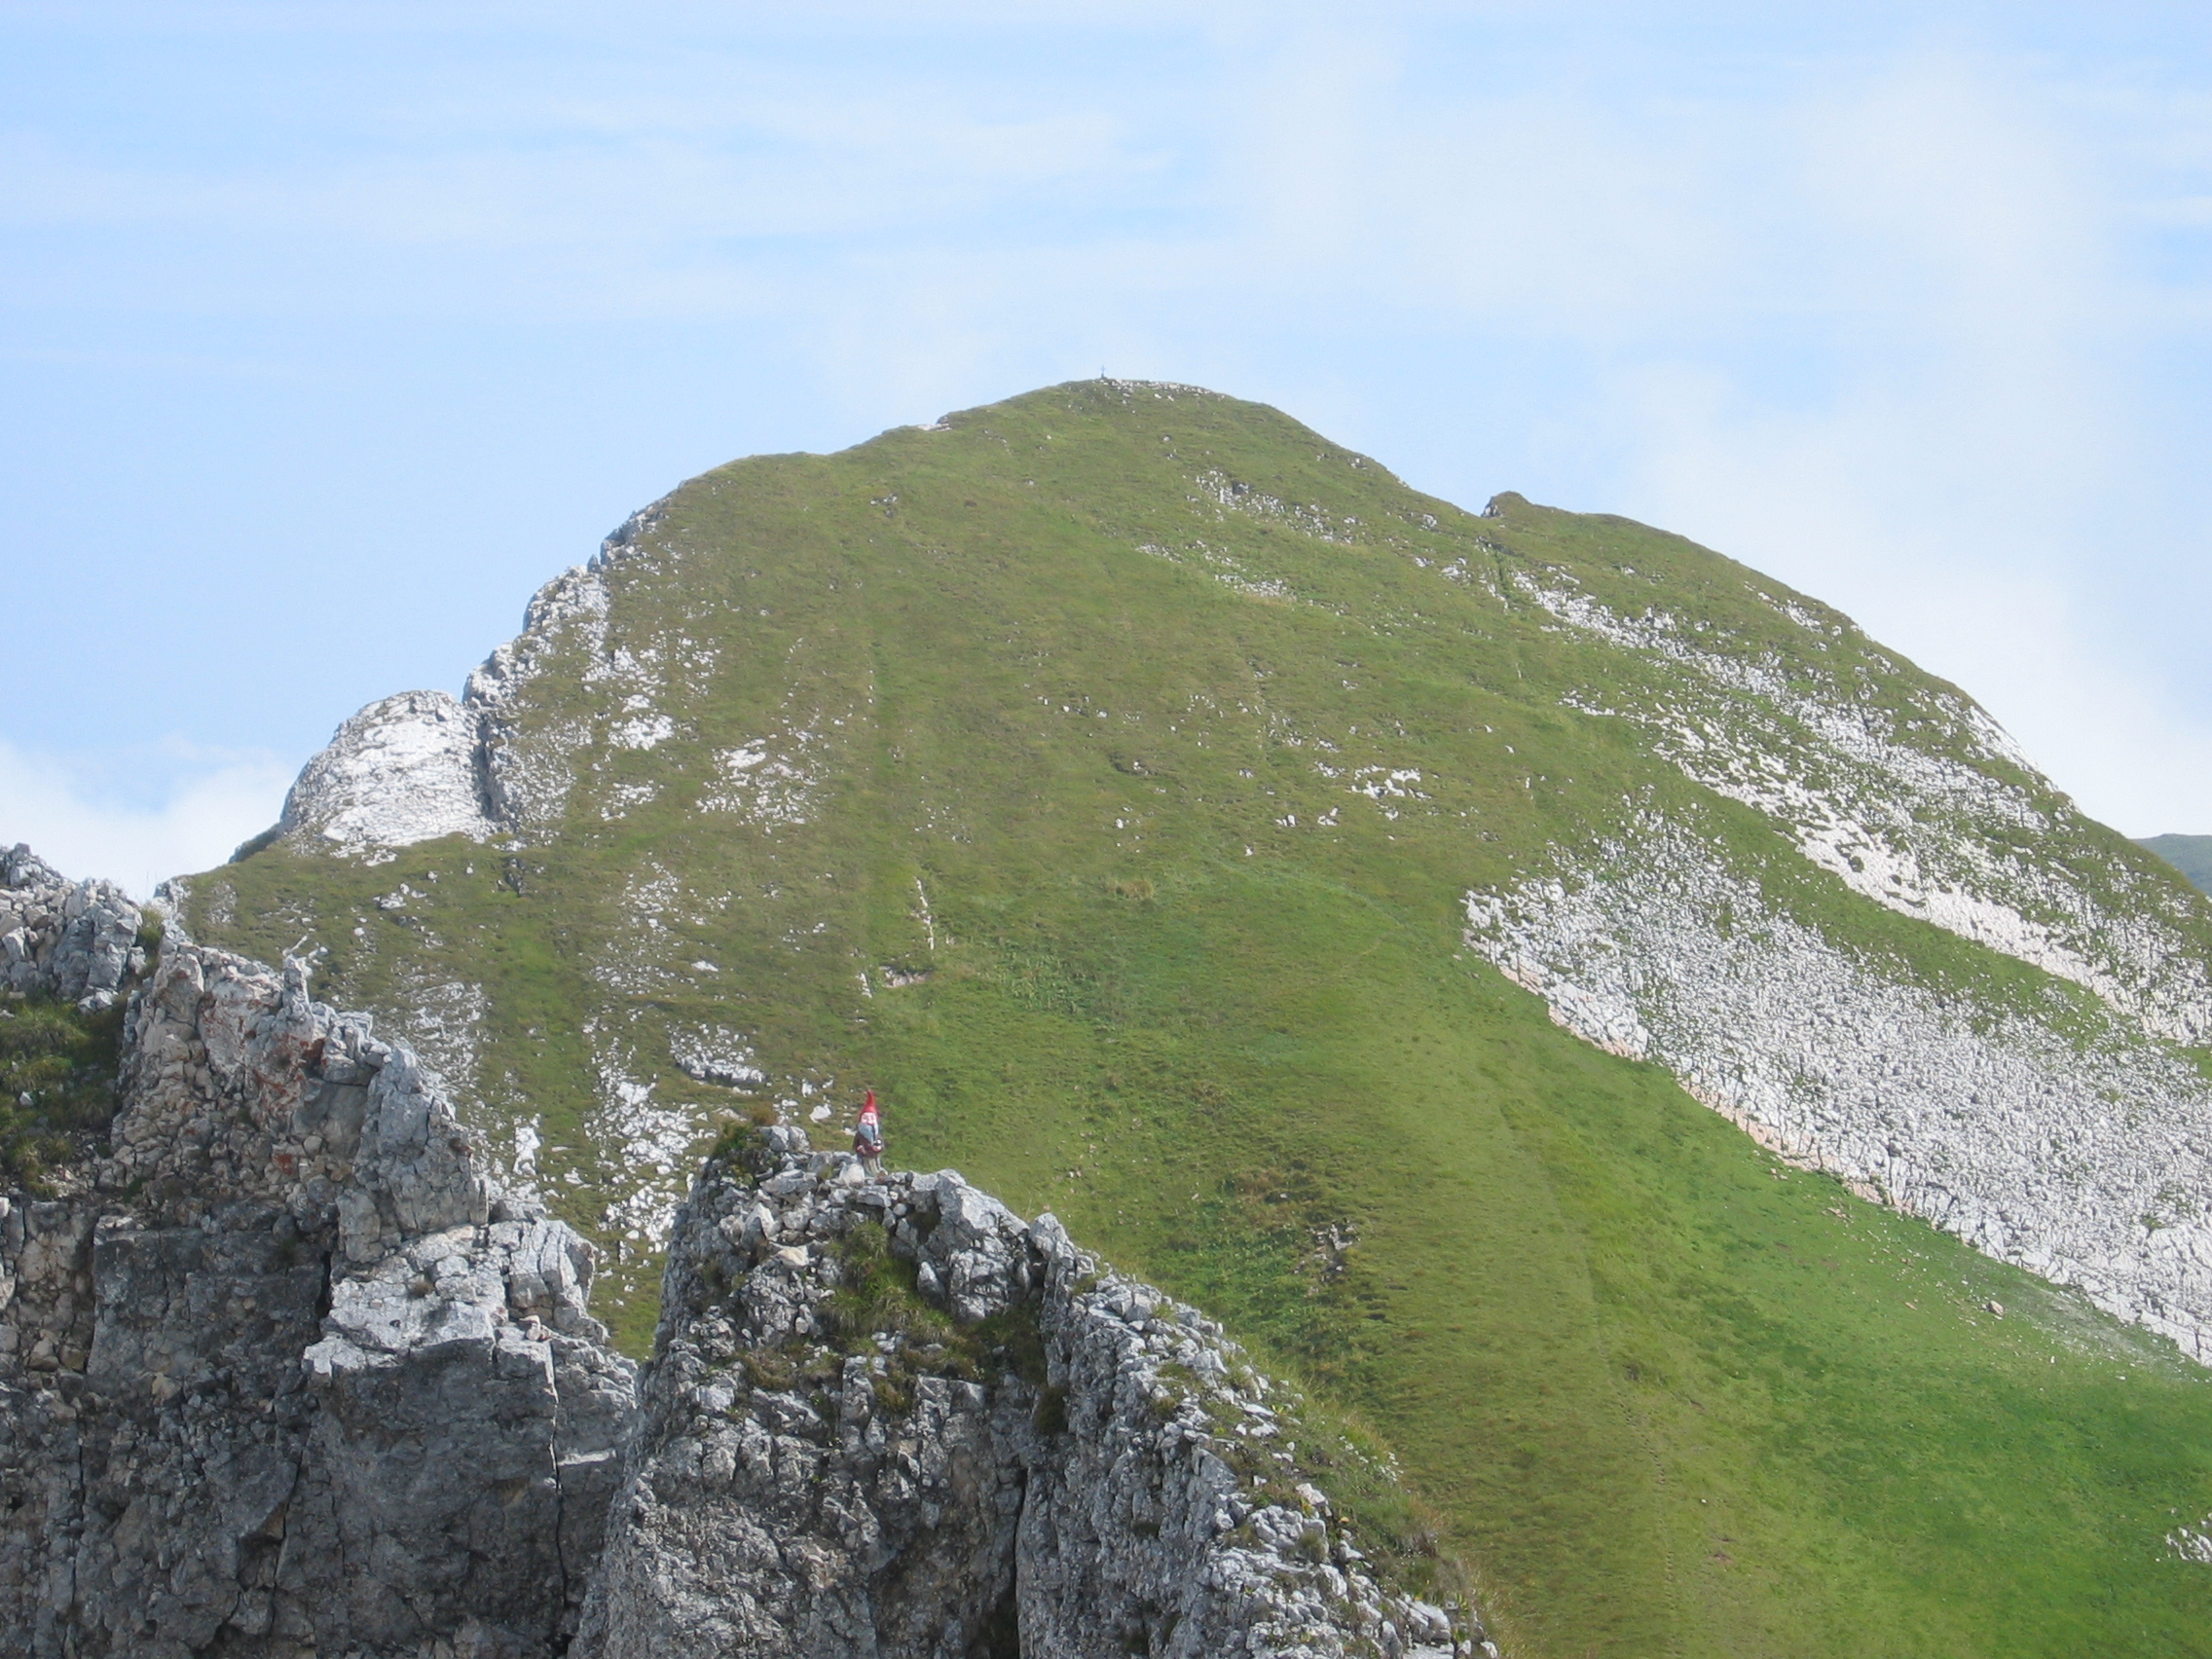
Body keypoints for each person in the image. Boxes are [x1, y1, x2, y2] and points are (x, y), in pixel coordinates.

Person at [854, 1089, 884, 1178]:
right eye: (865, 1118)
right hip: (863, 1157)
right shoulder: (860, 1134)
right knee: (864, 1168)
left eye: (871, 1118)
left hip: (873, 1156)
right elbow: (855, 1144)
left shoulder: (877, 1135)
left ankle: (875, 1175)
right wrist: (858, 1148)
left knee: (874, 1167)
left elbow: (881, 1144)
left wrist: (878, 1147)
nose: (869, 1121)